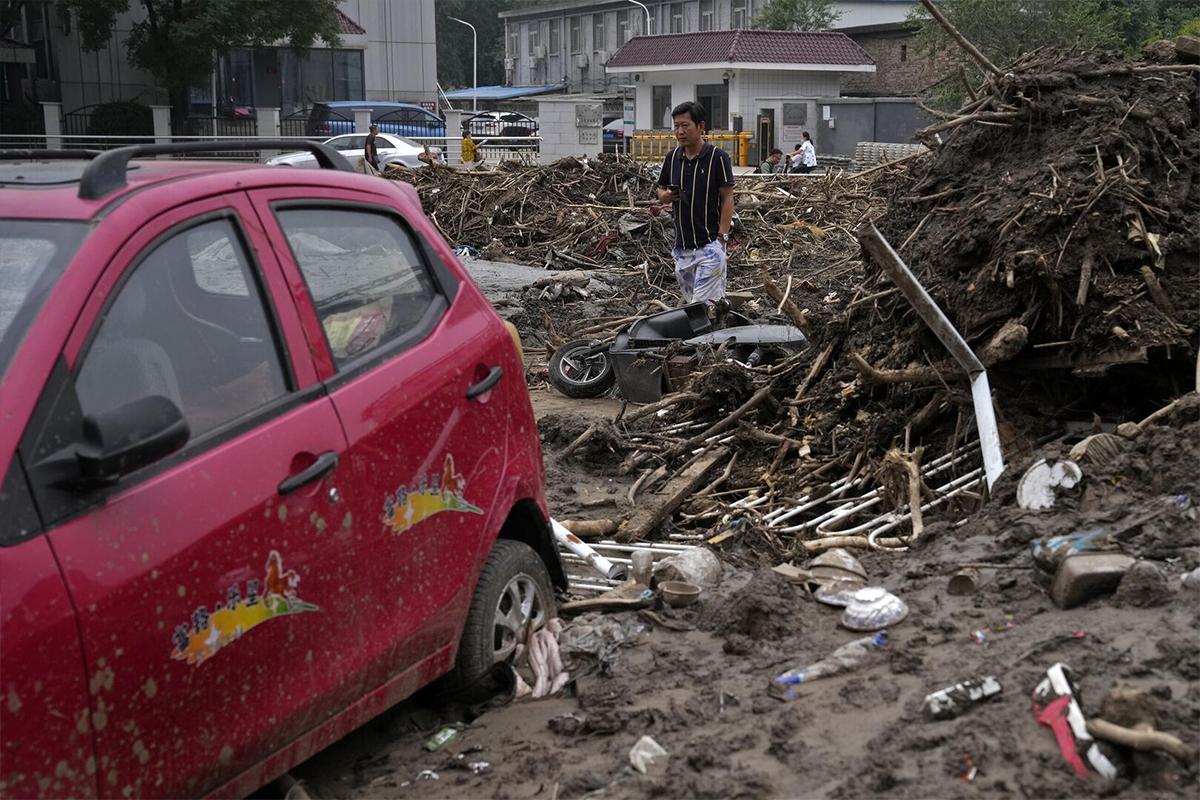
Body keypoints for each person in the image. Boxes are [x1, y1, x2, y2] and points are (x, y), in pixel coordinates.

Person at [655, 101, 735, 313]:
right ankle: (719, 331)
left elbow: (728, 198)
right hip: (682, 248)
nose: (680, 132)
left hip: (709, 246)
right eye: (676, 126)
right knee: (701, 307)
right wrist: (665, 197)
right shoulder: (672, 158)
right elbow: (660, 190)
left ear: (700, 127)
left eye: (685, 126)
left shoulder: (718, 157)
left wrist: (722, 238)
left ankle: (703, 343)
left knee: (697, 309)